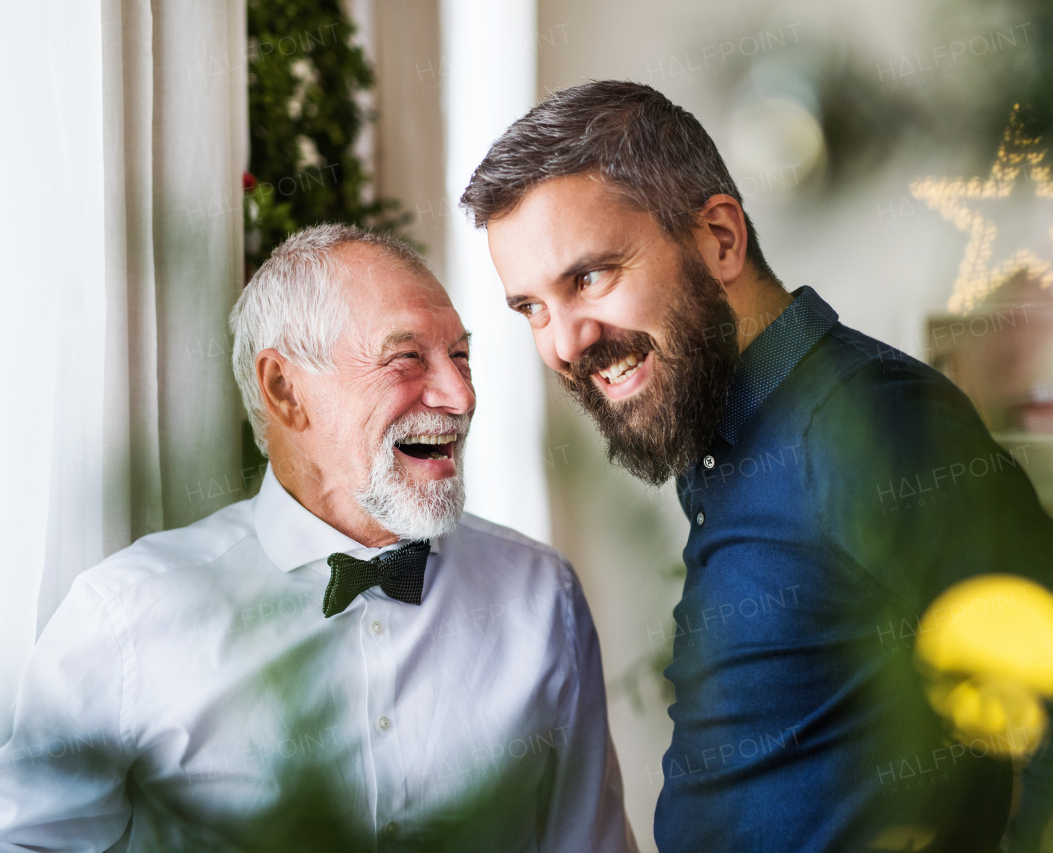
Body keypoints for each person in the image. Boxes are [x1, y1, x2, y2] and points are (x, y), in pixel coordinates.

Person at [461, 81, 1053, 852]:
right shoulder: (726, 430)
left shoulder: (866, 425)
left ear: (720, 239)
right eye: (530, 308)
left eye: (589, 277)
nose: (563, 341)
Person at [0, 225, 636, 853]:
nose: (460, 395)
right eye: (407, 357)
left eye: (461, 357)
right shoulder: (124, 617)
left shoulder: (540, 595)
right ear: (285, 390)